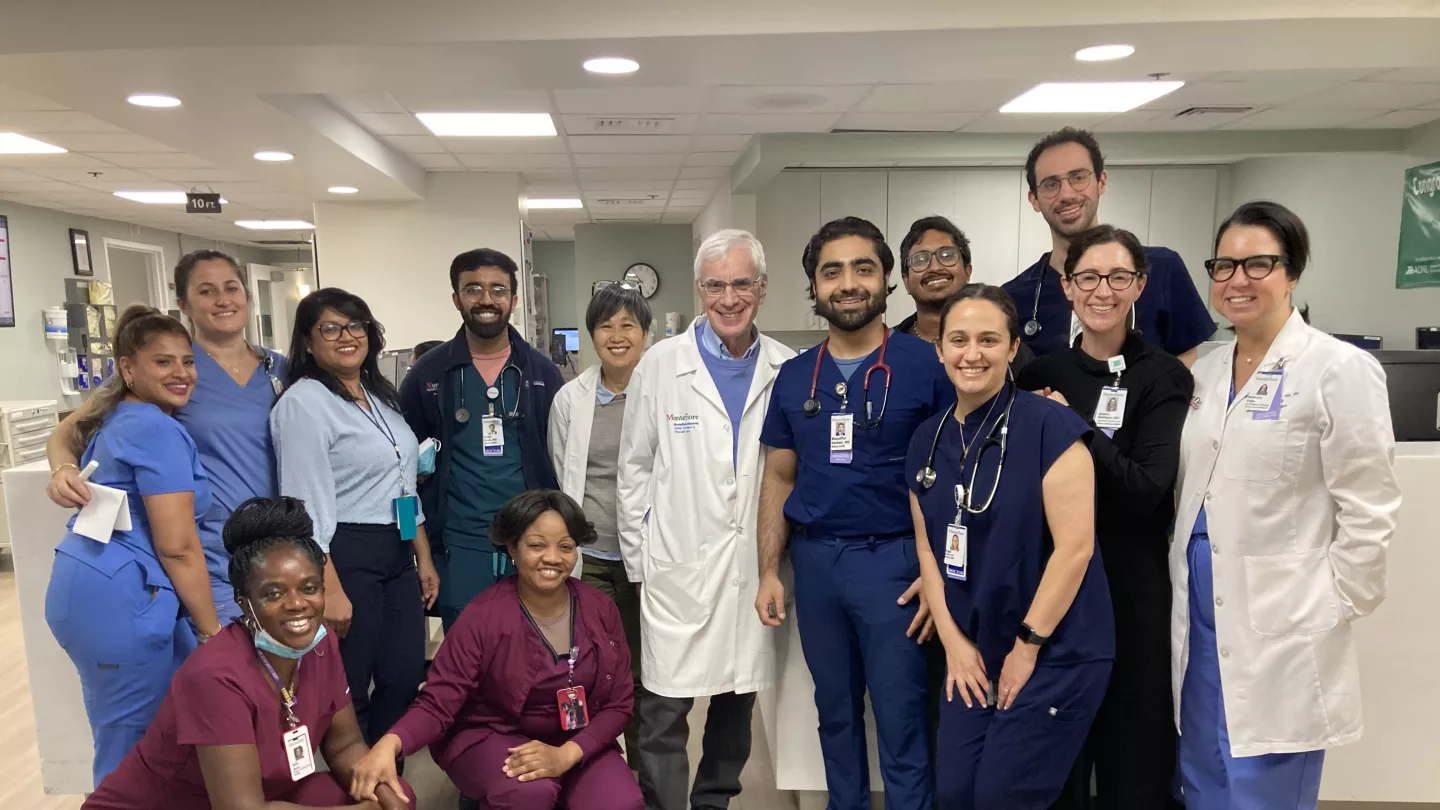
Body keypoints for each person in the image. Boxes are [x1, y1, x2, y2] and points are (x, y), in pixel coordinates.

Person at [1173, 201, 1400, 810]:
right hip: (1199, 611)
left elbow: (1370, 505)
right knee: (1205, 774)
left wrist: (1332, 602)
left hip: (1283, 619)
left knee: (1263, 786)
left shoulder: (1338, 368)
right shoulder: (1205, 374)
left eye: (1258, 264)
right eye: (1224, 265)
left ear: (1292, 273)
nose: (1237, 279)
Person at [756, 216, 952, 810]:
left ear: (887, 280)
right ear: (814, 287)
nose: (848, 283)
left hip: (894, 562)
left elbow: (953, 475)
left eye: (863, 268)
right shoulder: (793, 378)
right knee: (834, 713)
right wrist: (769, 569)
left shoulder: (927, 366)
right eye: (831, 271)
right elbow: (780, 476)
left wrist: (935, 571)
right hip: (816, 564)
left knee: (901, 717)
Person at [906, 284, 1114, 809]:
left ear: (1012, 347)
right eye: (958, 339)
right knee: (954, 793)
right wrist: (954, 645)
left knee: (1003, 797)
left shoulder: (1052, 427)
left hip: (1053, 650)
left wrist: (1026, 649)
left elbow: (1075, 549)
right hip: (974, 648)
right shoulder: (925, 440)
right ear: (939, 348)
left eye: (987, 340)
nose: (971, 354)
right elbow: (930, 550)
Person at [82, 497, 416, 810]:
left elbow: (344, 747)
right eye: (273, 593)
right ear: (244, 603)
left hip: (261, 796)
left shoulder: (321, 642)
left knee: (399, 792)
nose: (297, 604)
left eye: (309, 588)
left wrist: (388, 801)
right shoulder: (215, 675)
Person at [617, 229, 795, 810]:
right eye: (715, 285)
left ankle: (713, 802)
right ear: (699, 290)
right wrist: (643, 564)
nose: (729, 297)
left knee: (736, 702)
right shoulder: (661, 366)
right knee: (664, 708)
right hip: (677, 567)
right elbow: (634, 471)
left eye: (741, 283)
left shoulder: (785, 367)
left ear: (762, 289)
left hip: (750, 568)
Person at [1017, 225, 1194, 810]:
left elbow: (1145, 490)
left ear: (1139, 285)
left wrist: (1075, 428)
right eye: (1089, 277)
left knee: (1133, 758)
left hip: (1132, 588)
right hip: (1062, 589)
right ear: (1067, 286)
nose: (1103, 291)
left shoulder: (1163, 375)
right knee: (1060, 754)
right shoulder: (1041, 376)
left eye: (1119, 278)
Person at [350, 490, 642, 810]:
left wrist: (565, 755)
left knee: (621, 802)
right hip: (494, 733)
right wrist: (391, 743)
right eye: (536, 545)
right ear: (512, 549)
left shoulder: (600, 608)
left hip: (575, 737)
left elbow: (619, 704)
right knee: (528, 792)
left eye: (566, 546)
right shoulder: (483, 616)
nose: (553, 557)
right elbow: (439, 700)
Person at [47, 250, 286, 627]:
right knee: (231, 668)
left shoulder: (279, 368)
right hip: (210, 553)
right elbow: (69, 430)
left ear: (246, 295)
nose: (223, 299)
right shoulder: (170, 370)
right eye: (206, 291)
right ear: (183, 303)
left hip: (277, 549)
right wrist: (62, 469)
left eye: (231, 288)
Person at [43, 305, 224, 786]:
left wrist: (60, 464)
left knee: (166, 728)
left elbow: (63, 431)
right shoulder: (153, 428)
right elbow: (178, 547)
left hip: (97, 584)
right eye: (163, 362)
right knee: (132, 749)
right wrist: (212, 635)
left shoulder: (121, 413)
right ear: (128, 368)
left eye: (187, 361)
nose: (181, 373)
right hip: (123, 598)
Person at [271, 288, 440, 746]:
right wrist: (327, 584)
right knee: (349, 683)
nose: (346, 336)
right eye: (330, 327)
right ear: (308, 341)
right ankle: (356, 787)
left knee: (404, 675)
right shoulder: (304, 403)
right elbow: (303, 504)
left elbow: (403, 482)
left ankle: (388, 771)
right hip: (344, 550)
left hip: (396, 548)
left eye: (355, 325)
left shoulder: (376, 395)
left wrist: (421, 555)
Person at [399, 248, 565, 631]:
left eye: (498, 290)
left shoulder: (542, 373)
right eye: (473, 289)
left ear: (514, 300)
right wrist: (415, 546)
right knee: (468, 651)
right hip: (458, 542)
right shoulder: (429, 373)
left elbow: (561, 456)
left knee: (534, 646)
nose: (486, 299)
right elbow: (398, 471)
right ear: (456, 298)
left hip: (532, 538)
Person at [548, 282, 653, 763]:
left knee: (644, 669)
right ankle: (595, 765)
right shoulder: (571, 398)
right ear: (592, 335)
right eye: (605, 325)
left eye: (628, 324)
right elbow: (561, 472)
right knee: (592, 667)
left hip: (648, 555)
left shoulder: (661, 393)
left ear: (645, 333)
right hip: (588, 557)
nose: (617, 335)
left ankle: (644, 772)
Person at [1001, 128, 1215, 364]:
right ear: (1034, 199)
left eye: (1078, 177)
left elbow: (1186, 364)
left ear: (1101, 182)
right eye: (1051, 184)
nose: (1067, 194)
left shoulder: (1162, 269)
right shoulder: (1014, 297)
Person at [894, 215, 1036, 374]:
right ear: (906, 281)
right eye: (920, 259)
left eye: (947, 255)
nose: (934, 267)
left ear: (968, 271)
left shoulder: (1011, 352)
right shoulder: (886, 349)